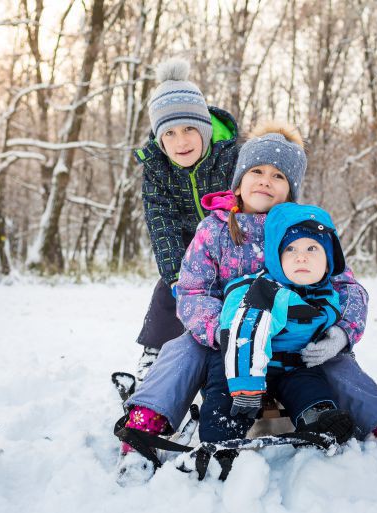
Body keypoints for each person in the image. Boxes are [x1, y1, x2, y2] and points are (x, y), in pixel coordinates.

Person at [115, 122, 377, 485]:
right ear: (239, 179)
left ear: (290, 190)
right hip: (228, 346)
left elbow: (348, 287)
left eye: (278, 176)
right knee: (180, 349)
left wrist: (340, 333)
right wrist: (221, 330)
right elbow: (191, 290)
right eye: (256, 171)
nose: (265, 181)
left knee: (336, 361)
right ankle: (144, 429)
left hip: (293, 343)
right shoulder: (215, 229)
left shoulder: (305, 232)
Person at [196, 202, 357, 449]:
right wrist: (246, 386)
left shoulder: (329, 295)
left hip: (291, 364)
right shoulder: (266, 289)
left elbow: (340, 316)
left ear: (328, 262)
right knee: (225, 391)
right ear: (277, 258)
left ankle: (318, 417)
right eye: (291, 249)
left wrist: (339, 337)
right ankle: (221, 438)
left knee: (310, 383)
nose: (301, 256)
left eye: (312, 248)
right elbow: (245, 333)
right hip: (243, 361)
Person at [133, 57, 238, 383]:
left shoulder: (229, 157)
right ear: (160, 140)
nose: (181, 142)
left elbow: (250, 203)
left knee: (238, 297)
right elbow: (160, 221)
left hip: (232, 246)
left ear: (205, 128)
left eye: (190, 129)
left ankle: (237, 360)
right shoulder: (158, 169)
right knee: (167, 293)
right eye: (171, 133)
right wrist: (178, 274)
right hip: (188, 250)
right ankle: (154, 355)